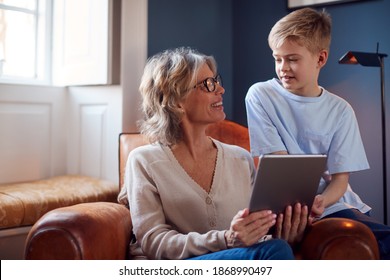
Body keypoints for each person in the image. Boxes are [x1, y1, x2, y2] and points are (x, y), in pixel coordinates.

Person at [117, 47, 295, 260]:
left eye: (216, 81)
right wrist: (227, 239)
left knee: (276, 247)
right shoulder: (143, 161)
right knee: (274, 252)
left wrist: (285, 227)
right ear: (176, 101)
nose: (220, 89)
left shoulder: (241, 158)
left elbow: (255, 232)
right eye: (208, 84)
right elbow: (154, 242)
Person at [245, 7, 390, 259]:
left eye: (292, 59)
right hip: (288, 206)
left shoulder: (341, 111)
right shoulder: (260, 95)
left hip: (333, 204)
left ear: (320, 59)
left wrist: (321, 202)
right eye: (277, 58)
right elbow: (282, 171)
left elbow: (340, 181)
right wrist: (302, 208)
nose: (283, 68)